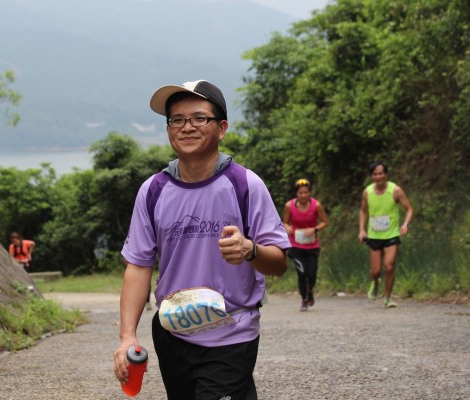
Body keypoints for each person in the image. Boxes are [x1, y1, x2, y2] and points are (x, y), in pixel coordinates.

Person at [113, 79, 291, 399]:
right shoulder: (153, 190)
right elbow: (138, 265)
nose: (187, 127)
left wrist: (250, 250)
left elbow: (279, 263)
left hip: (231, 334)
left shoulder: (245, 184)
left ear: (221, 128)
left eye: (199, 118)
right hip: (172, 335)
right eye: (177, 120)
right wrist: (127, 336)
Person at [358, 162, 413, 308]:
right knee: (376, 271)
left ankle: (387, 298)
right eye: (375, 174)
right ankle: (375, 282)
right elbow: (363, 211)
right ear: (372, 176)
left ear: (386, 175)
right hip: (374, 236)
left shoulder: (395, 190)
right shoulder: (367, 192)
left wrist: (405, 224)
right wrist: (362, 230)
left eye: (381, 174)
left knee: (389, 266)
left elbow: (409, 209)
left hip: (391, 235)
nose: (378, 177)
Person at [282, 178, 329, 311]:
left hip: (312, 246)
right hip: (296, 246)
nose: (303, 195)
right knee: (302, 273)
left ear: (309, 193)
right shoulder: (289, 206)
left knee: (311, 274)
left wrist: (314, 229)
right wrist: (287, 228)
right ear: (296, 194)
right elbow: (284, 222)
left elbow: (325, 222)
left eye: (306, 192)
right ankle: (304, 299)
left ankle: (310, 291)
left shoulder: (316, 205)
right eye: (301, 193)